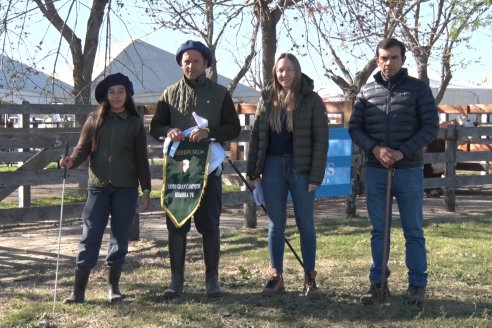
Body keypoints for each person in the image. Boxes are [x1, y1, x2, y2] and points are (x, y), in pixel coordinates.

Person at [348, 38, 439, 306]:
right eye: (384, 58)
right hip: (376, 171)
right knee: (379, 230)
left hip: (409, 170)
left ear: (403, 59)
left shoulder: (418, 90)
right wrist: (375, 149)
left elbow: (430, 126)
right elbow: (355, 128)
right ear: (377, 60)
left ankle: (417, 286)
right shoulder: (365, 92)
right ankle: (378, 284)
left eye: (394, 58)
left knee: (413, 229)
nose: (388, 63)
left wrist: (403, 151)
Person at [150, 40, 241, 299]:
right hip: (179, 171)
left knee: (209, 224)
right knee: (176, 225)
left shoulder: (221, 93)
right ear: (180, 63)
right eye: (186, 61)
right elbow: (155, 127)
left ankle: (212, 280)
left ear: (206, 64)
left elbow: (233, 129)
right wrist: (169, 130)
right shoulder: (168, 94)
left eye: (196, 61)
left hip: (209, 170)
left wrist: (210, 132)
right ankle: (176, 281)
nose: (190, 65)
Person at [60, 73, 151, 303]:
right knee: (90, 235)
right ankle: (78, 290)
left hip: (126, 188)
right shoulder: (94, 119)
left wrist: (146, 190)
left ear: (127, 95)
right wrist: (71, 161)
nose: (116, 96)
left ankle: (113, 287)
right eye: (112, 92)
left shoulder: (134, 122)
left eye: (121, 92)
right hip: (98, 187)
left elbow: (142, 159)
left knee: (120, 237)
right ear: (106, 95)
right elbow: (82, 150)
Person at [246, 53, 328, 297]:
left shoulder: (311, 100)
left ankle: (310, 278)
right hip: (271, 168)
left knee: (306, 225)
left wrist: (316, 175)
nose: (284, 74)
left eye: (289, 70)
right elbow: (256, 136)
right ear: (275, 72)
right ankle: (276, 277)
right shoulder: (267, 98)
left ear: (297, 71)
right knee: (275, 225)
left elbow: (321, 140)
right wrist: (253, 172)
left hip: (301, 170)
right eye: (280, 70)